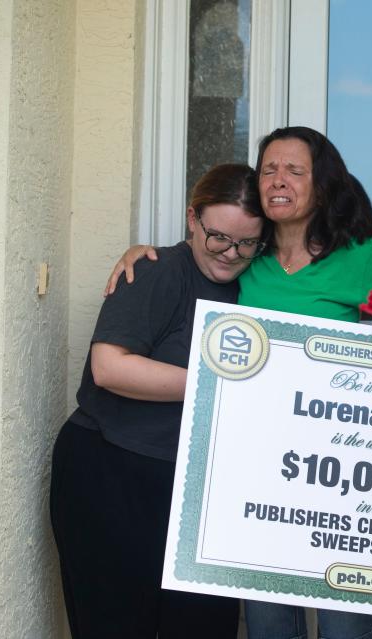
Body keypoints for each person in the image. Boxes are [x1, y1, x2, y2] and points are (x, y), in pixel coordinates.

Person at [108, 126, 372, 639]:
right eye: (269, 169)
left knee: (344, 624)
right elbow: (197, 258)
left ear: (322, 184)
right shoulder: (249, 255)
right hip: (259, 468)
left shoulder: (358, 257)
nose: (278, 180)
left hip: (336, 471)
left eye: (294, 170)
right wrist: (140, 252)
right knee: (268, 622)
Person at [50, 163, 268, 639]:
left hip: (197, 490)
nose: (231, 253)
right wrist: (219, 380)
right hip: (112, 474)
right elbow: (110, 367)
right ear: (192, 218)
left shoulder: (256, 285)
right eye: (218, 237)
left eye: (247, 243)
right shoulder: (157, 270)